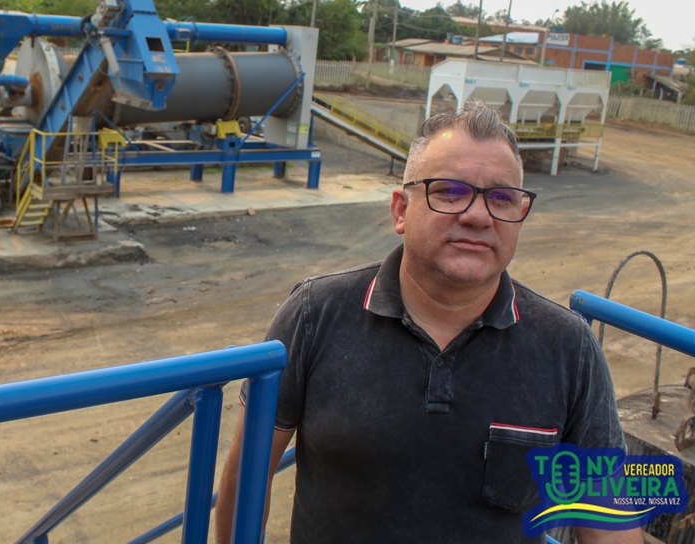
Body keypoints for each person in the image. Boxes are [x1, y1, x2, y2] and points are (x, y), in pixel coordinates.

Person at [215, 101, 640, 543]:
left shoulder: (568, 349)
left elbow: (609, 522)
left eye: (502, 198)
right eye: (450, 191)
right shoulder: (314, 315)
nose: (478, 216)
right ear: (401, 210)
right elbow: (246, 477)